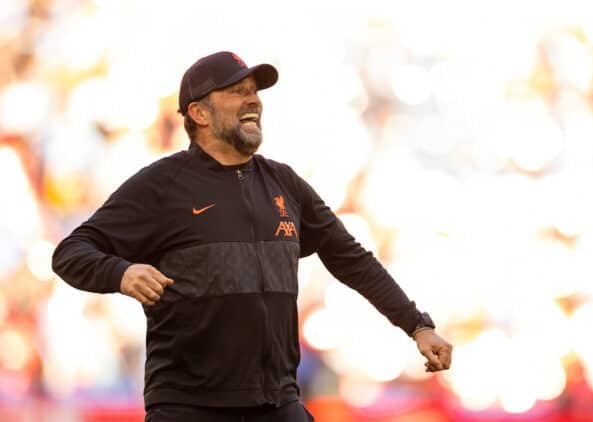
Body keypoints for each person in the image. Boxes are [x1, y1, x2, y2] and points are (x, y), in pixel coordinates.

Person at [52, 51, 453, 422]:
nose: (253, 101)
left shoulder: (285, 183)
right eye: (236, 92)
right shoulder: (161, 185)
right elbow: (71, 252)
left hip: (277, 402)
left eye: (254, 93)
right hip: (189, 407)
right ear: (199, 112)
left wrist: (417, 326)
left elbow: (351, 258)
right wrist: (120, 273)